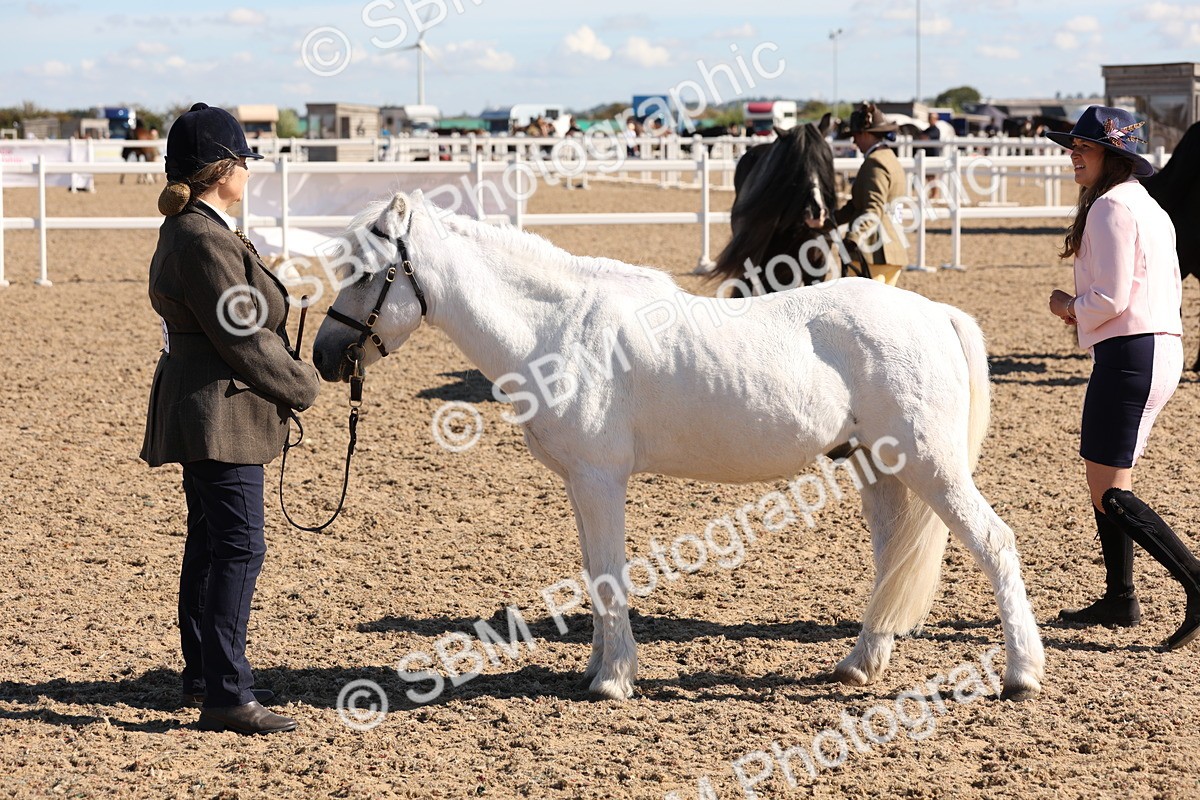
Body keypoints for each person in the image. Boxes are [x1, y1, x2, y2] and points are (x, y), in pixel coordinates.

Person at [141, 103, 321, 733]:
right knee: (241, 547)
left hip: (210, 406)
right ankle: (225, 693)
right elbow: (241, 336)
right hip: (220, 413)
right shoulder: (203, 238)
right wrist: (302, 384)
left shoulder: (198, 229)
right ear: (223, 169)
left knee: (212, 542)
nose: (249, 171)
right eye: (244, 161)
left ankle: (206, 672)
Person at [1046, 105, 1200, 650]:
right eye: (1073, 146)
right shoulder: (1147, 204)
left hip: (1131, 353)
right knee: (1107, 484)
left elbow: (1110, 298)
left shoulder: (1111, 206)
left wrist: (1068, 306)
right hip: (1153, 346)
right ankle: (1119, 597)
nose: (1073, 155)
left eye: (1083, 147)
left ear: (1112, 155)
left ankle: (1196, 583)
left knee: (1110, 493)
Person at [834, 102, 909, 285]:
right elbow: (858, 205)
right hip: (893, 250)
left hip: (874, 253)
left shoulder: (874, 163)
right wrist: (831, 221)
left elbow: (873, 210)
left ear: (866, 133)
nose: (854, 142)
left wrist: (853, 238)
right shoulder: (891, 159)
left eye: (856, 136)